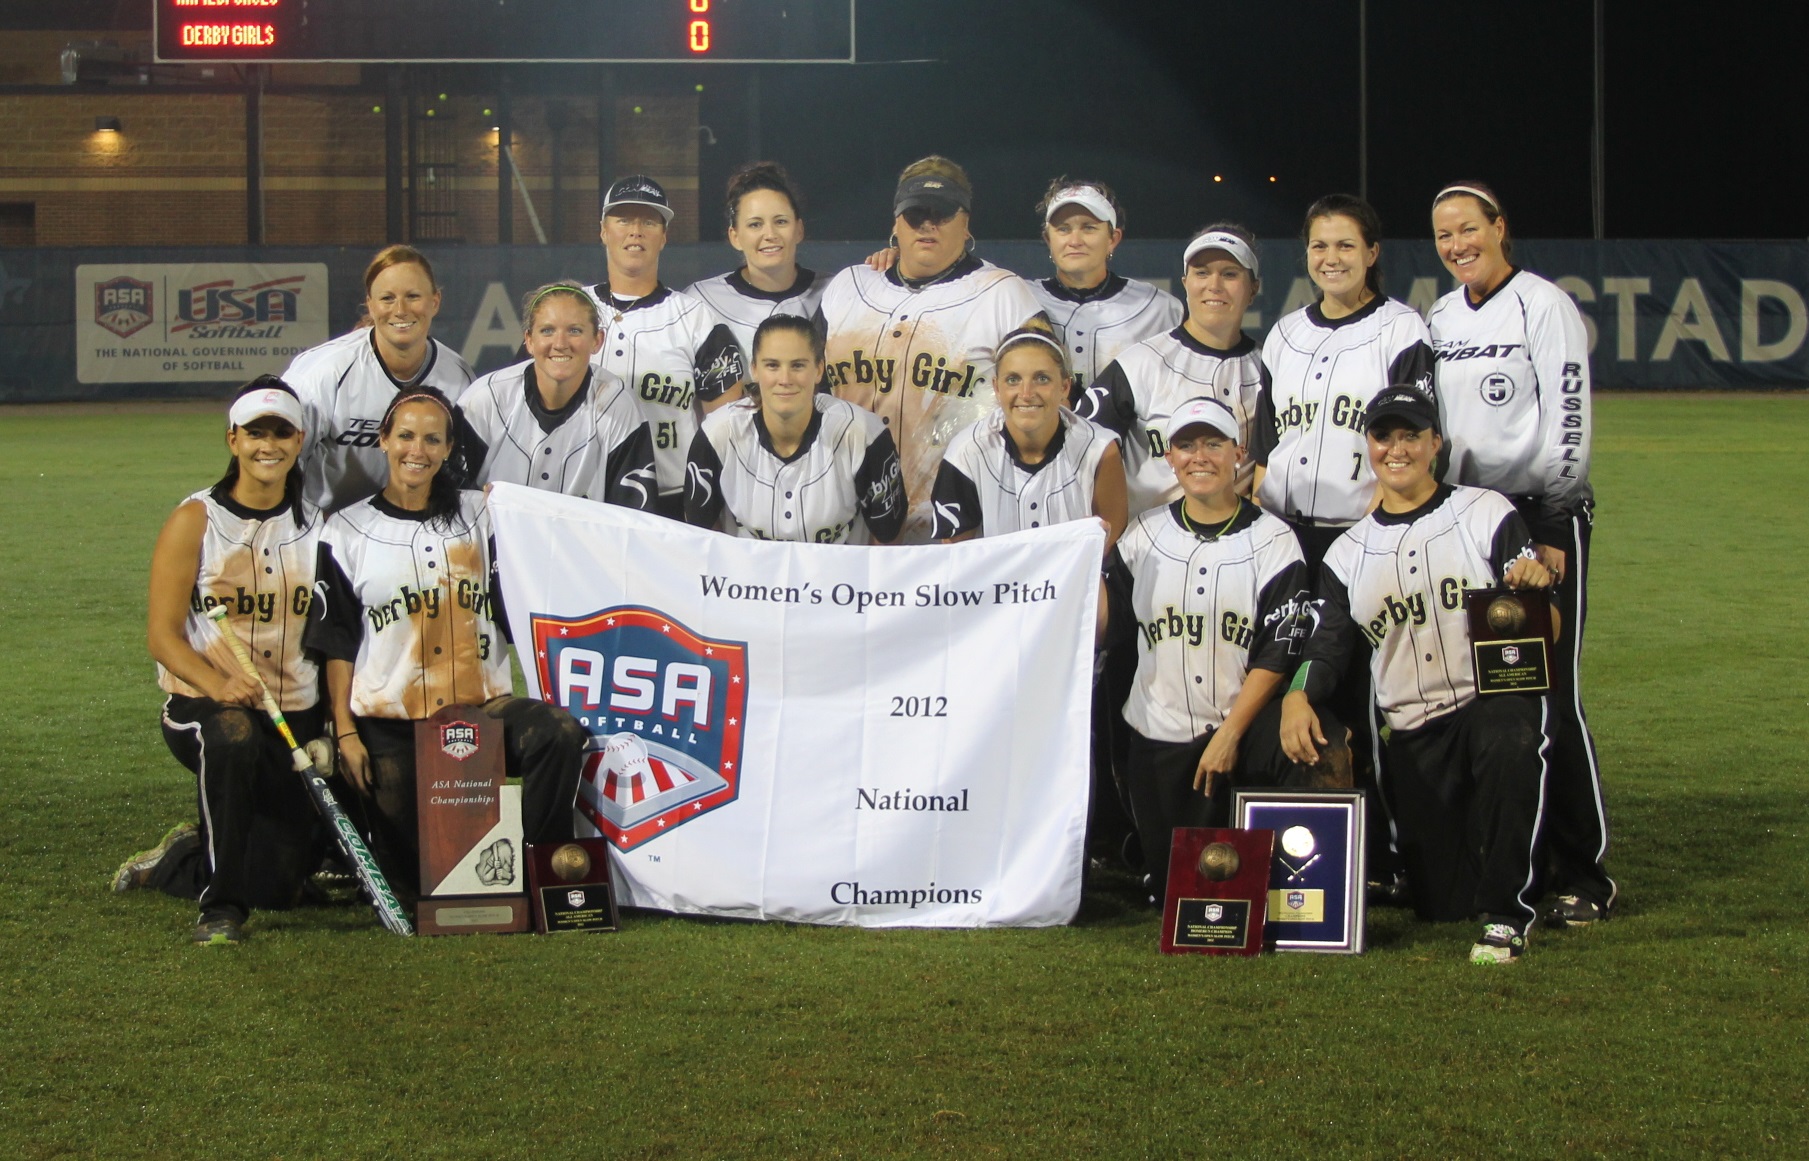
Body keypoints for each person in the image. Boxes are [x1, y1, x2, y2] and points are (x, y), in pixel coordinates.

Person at [1281, 384, 1554, 964]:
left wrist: (1536, 589)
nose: (1396, 448)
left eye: (1411, 435)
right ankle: (1487, 868)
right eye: (1384, 436)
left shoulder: (1485, 512)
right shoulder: (1347, 554)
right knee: (1442, 902)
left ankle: (1510, 913)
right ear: (1369, 446)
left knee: (1512, 737)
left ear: (1436, 444)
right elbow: (1326, 645)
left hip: (1486, 703)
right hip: (1412, 729)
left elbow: (1542, 626)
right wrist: (1298, 695)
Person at [305, 387, 586, 898]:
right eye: (406, 435)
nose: (418, 450)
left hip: (484, 711)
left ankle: (544, 877)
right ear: (384, 440)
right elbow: (337, 642)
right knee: (418, 882)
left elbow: (541, 579)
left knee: (557, 733)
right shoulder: (347, 530)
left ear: (448, 447)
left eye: (433, 439)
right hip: (391, 723)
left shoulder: (485, 515)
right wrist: (345, 733)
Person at [1426, 180, 1613, 927]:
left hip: (1538, 516)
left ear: (1500, 228)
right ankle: (1508, 858)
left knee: (1546, 693)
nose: (1456, 244)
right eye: (1443, 234)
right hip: (1470, 518)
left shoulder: (1544, 304)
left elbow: (1568, 416)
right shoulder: (1440, 316)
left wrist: (1553, 519)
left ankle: (1583, 871)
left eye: (1468, 229)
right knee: (1486, 694)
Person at [1108, 396, 1347, 904]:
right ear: (1168, 457)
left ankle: (1312, 899)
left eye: (1214, 444)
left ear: (1238, 452)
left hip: (1242, 728)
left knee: (1319, 737)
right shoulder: (1141, 537)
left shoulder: (1273, 540)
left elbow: (1278, 651)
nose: (1201, 457)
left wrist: (1233, 733)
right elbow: (1110, 625)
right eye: (1187, 445)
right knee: (1180, 894)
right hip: (1159, 734)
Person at [127, 378, 327, 945]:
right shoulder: (195, 519)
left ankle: (182, 855)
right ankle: (220, 909)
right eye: (255, 432)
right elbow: (163, 637)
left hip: (294, 713)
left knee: (282, 885)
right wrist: (218, 684)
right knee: (233, 736)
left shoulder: (318, 526)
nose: (269, 445)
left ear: (299, 440)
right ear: (233, 440)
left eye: (281, 432)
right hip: (205, 708)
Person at [817, 154, 1044, 542]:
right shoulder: (848, 287)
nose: (927, 224)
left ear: (966, 221)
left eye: (942, 213)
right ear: (895, 222)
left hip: (957, 521)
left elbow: (1046, 404)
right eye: (915, 213)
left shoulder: (1003, 295)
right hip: (844, 515)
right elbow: (809, 389)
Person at [1254, 195, 1434, 569]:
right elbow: (1265, 448)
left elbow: (1409, 446)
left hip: (1361, 530)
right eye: (1319, 246)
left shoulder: (1401, 329)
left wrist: (1370, 534)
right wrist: (1260, 528)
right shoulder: (1285, 333)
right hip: (1279, 535)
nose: (1331, 258)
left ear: (1371, 253)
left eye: (1345, 246)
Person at [1077, 225, 1267, 515]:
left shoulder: (1268, 369)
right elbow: (1079, 452)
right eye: (1201, 272)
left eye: (1230, 273)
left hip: (1237, 548)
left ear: (1253, 289)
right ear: (1185, 283)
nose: (1214, 284)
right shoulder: (1140, 364)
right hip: (1146, 549)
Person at [586, 175, 746, 518]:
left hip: (673, 501)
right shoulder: (570, 309)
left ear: (664, 236)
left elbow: (729, 428)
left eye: (649, 221)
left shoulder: (695, 319)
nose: (636, 230)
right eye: (624, 219)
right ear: (603, 230)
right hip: (584, 497)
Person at [685, 314, 906, 544]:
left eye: (798, 365)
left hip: (840, 577)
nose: (785, 379)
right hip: (750, 578)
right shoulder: (717, 434)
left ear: (819, 369)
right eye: (772, 365)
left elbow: (889, 535)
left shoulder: (863, 434)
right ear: (754, 370)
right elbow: (702, 537)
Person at [284, 245, 475, 511]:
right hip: (327, 532)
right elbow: (280, 459)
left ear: (435, 301)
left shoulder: (459, 377)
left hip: (416, 533)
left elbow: (463, 473)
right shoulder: (323, 373)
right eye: (387, 298)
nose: (400, 309)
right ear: (370, 305)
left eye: (413, 296)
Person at [457, 281, 656, 508]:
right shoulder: (486, 399)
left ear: (597, 340)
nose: (560, 344)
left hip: (585, 542)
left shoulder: (618, 405)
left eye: (574, 331)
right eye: (547, 331)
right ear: (529, 341)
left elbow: (634, 517)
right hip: (493, 541)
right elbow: (445, 499)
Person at [930, 324, 1127, 551]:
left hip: (1073, 584)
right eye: (1013, 379)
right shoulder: (967, 452)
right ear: (996, 387)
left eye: (1041, 379)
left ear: (1064, 387)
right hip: (994, 584)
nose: (1026, 394)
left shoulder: (1099, 449)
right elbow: (954, 556)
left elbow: (1104, 549)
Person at [1026, 178, 1182, 400]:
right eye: (1063, 229)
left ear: (1113, 238)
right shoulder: (1021, 299)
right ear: (1048, 239)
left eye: (1089, 228)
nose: (1075, 240)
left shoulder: (1159, 308)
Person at [685, 161, 825, 399]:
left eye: (781, 221)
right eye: (755, 224)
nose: (769, 235)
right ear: (735, 236)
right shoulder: (699, 302)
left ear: (799, 229)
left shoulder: (835, 292)